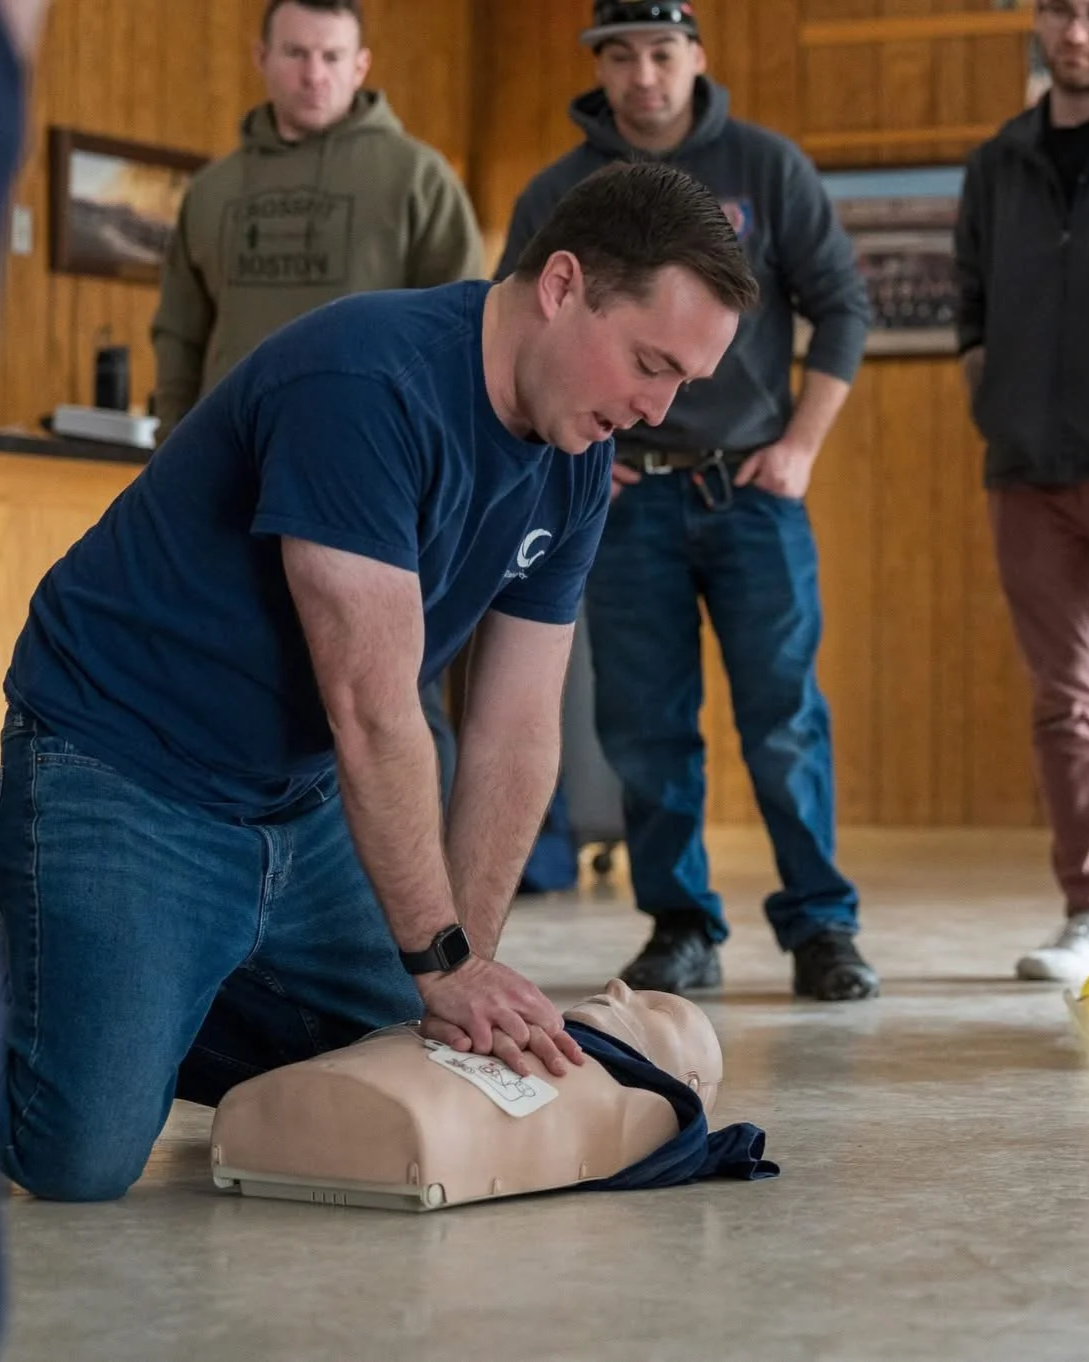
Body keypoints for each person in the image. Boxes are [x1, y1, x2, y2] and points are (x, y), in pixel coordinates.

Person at [0, 159, 757, 1203]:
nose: (657, 408)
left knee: (423, 1061)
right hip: (124, 768)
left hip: (296, 800)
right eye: (648, 363)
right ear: (562, 285)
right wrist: (439, 962)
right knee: (79, 1159)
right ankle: (55, 939)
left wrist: (464, 966)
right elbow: (373, 710)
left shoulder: (578, 457)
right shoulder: (365, 384)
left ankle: (132, 977)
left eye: (683, 383)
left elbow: (514, 727)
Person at [496, 1, 880, 1002]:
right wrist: (573, 462)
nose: (643, 75)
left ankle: (822, 926)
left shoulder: (767, 166)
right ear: (599, 67)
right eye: (620, 56)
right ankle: (679, 925)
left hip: (753, 489)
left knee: (784, 717)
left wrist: (801, 444)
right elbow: (513, 331)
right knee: (643, 725)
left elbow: (843, 306)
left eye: (661, 53)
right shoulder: (557, 192)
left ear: (696, 57)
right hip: (624, 503)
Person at [151, 0, 482, 794]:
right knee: (229, 679)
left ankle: (421, 872)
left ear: (361, 66)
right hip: (230, 479)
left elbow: (466, 336)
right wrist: (170, 457)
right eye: (296, 53)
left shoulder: (417, 176)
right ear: (261, 57)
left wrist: (445, 480)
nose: (313, 73)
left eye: (332, 56)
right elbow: (180, 334)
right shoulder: (212, 191)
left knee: (391, 693)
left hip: (377, 483)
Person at [955, 0, 1089, 985]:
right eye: (1056, 10)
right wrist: (994, 398)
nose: (1074, 30)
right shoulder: (996, 160)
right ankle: (1085, 910)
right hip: (1028, 470)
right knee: (1062, 700)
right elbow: (969, 303)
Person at [210, 978, 779, 1209]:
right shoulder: (521, 1022)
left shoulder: (649, 1110)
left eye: (661, 1011)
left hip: (408, 1129)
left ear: (688, 1085)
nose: (619, 987)